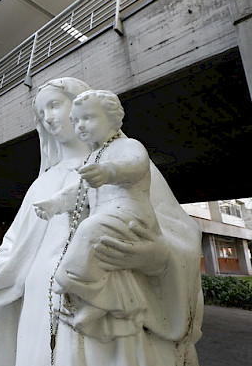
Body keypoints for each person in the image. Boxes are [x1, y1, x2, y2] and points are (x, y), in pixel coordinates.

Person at [0, 78, 204, 366]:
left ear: (82, 103)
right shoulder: (43, 183)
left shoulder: (124, 163)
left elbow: (178, 234)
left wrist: (155, 255)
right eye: (42, 113)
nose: (48, 117)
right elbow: (11, 253)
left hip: (113, 313)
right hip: (43, 309)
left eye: (55, 105)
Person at [33, 89, 159, 342]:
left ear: (112, 119)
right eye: (76, 121)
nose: (80, 126)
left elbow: (136, 166)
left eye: (87, 118)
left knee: (88, 231)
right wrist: (56, 203)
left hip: (130, 216)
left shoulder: (128, 145)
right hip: (106, 219)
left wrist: (109, 171)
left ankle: (80, 291)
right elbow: (80, 189)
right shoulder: (93, 156)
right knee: (91, 248)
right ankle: (103, 303)